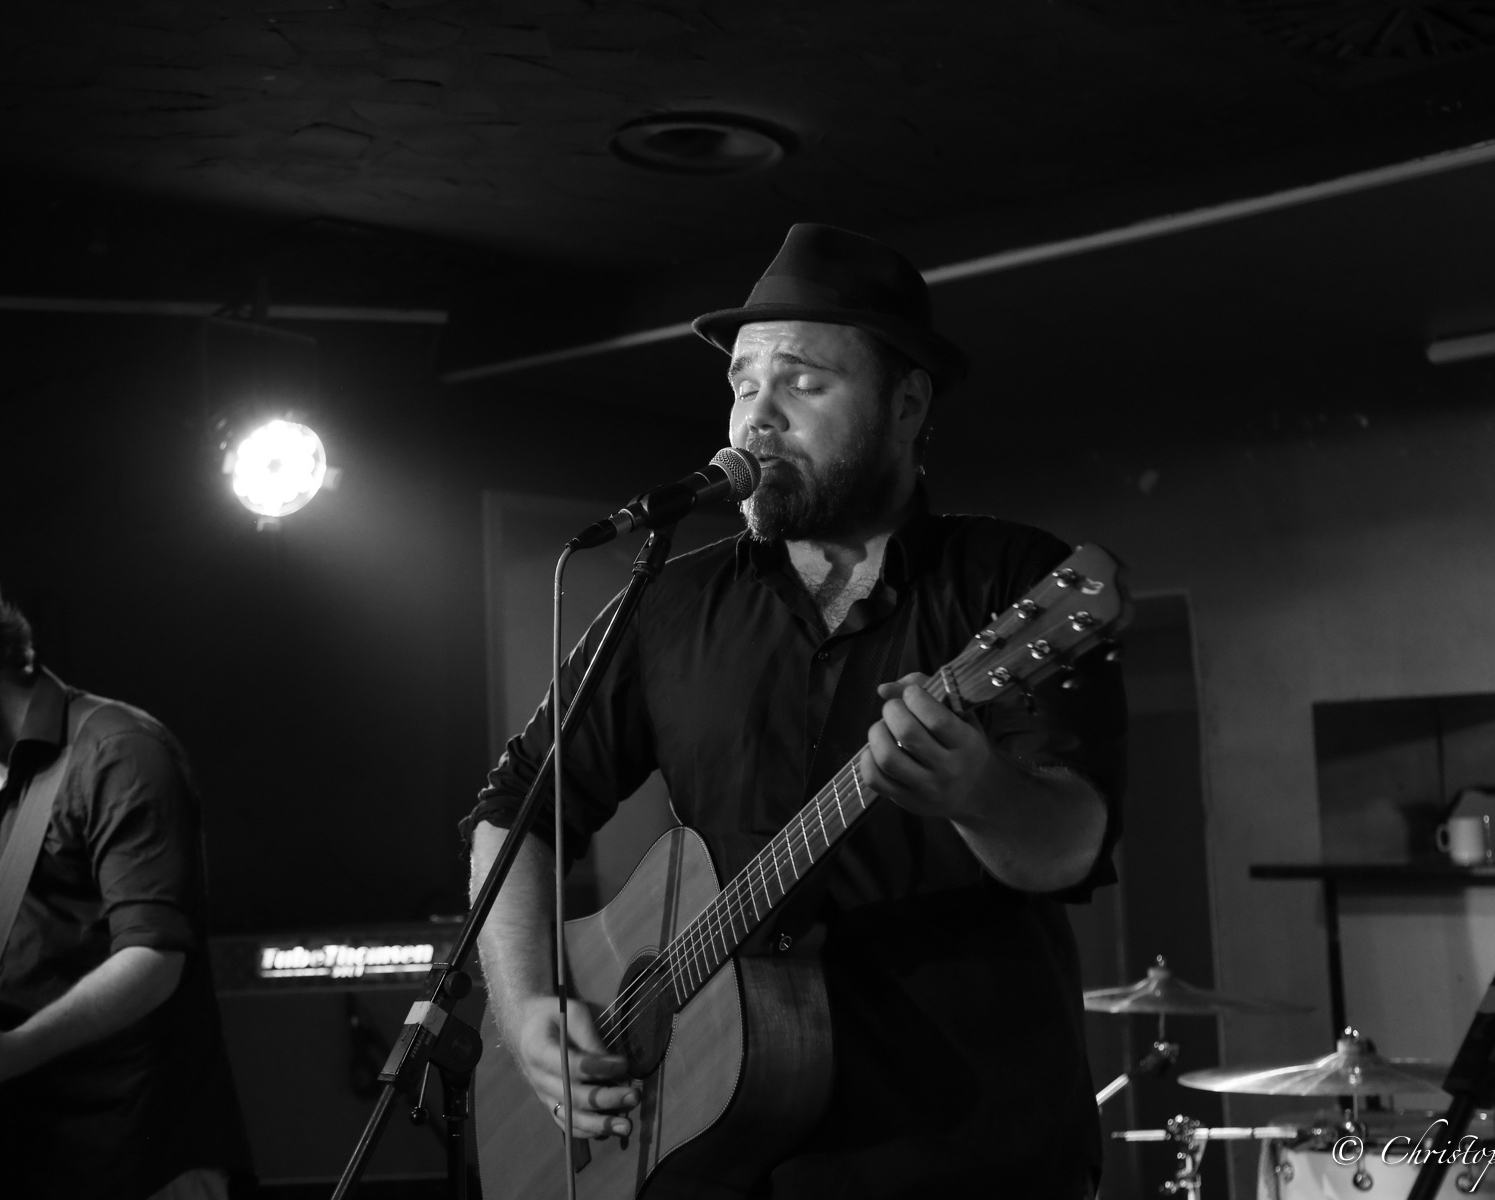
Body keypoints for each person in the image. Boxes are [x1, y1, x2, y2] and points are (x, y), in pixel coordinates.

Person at [467, 223, 1126, 1198]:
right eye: (742, 385)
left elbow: (1069, 846)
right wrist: (526, 1006)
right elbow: (515, 811)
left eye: (803, 383)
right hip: (703, 1164)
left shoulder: (1014, 582)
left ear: (906, 406)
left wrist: (979, 793)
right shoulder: (668, 605)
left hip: (965, 1157)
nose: (757, 419)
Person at [0, 547, 251, 1200]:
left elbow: (154, 959)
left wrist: (10, 1054)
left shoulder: (119, 753)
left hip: (140, 1154)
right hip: (22, 1157)